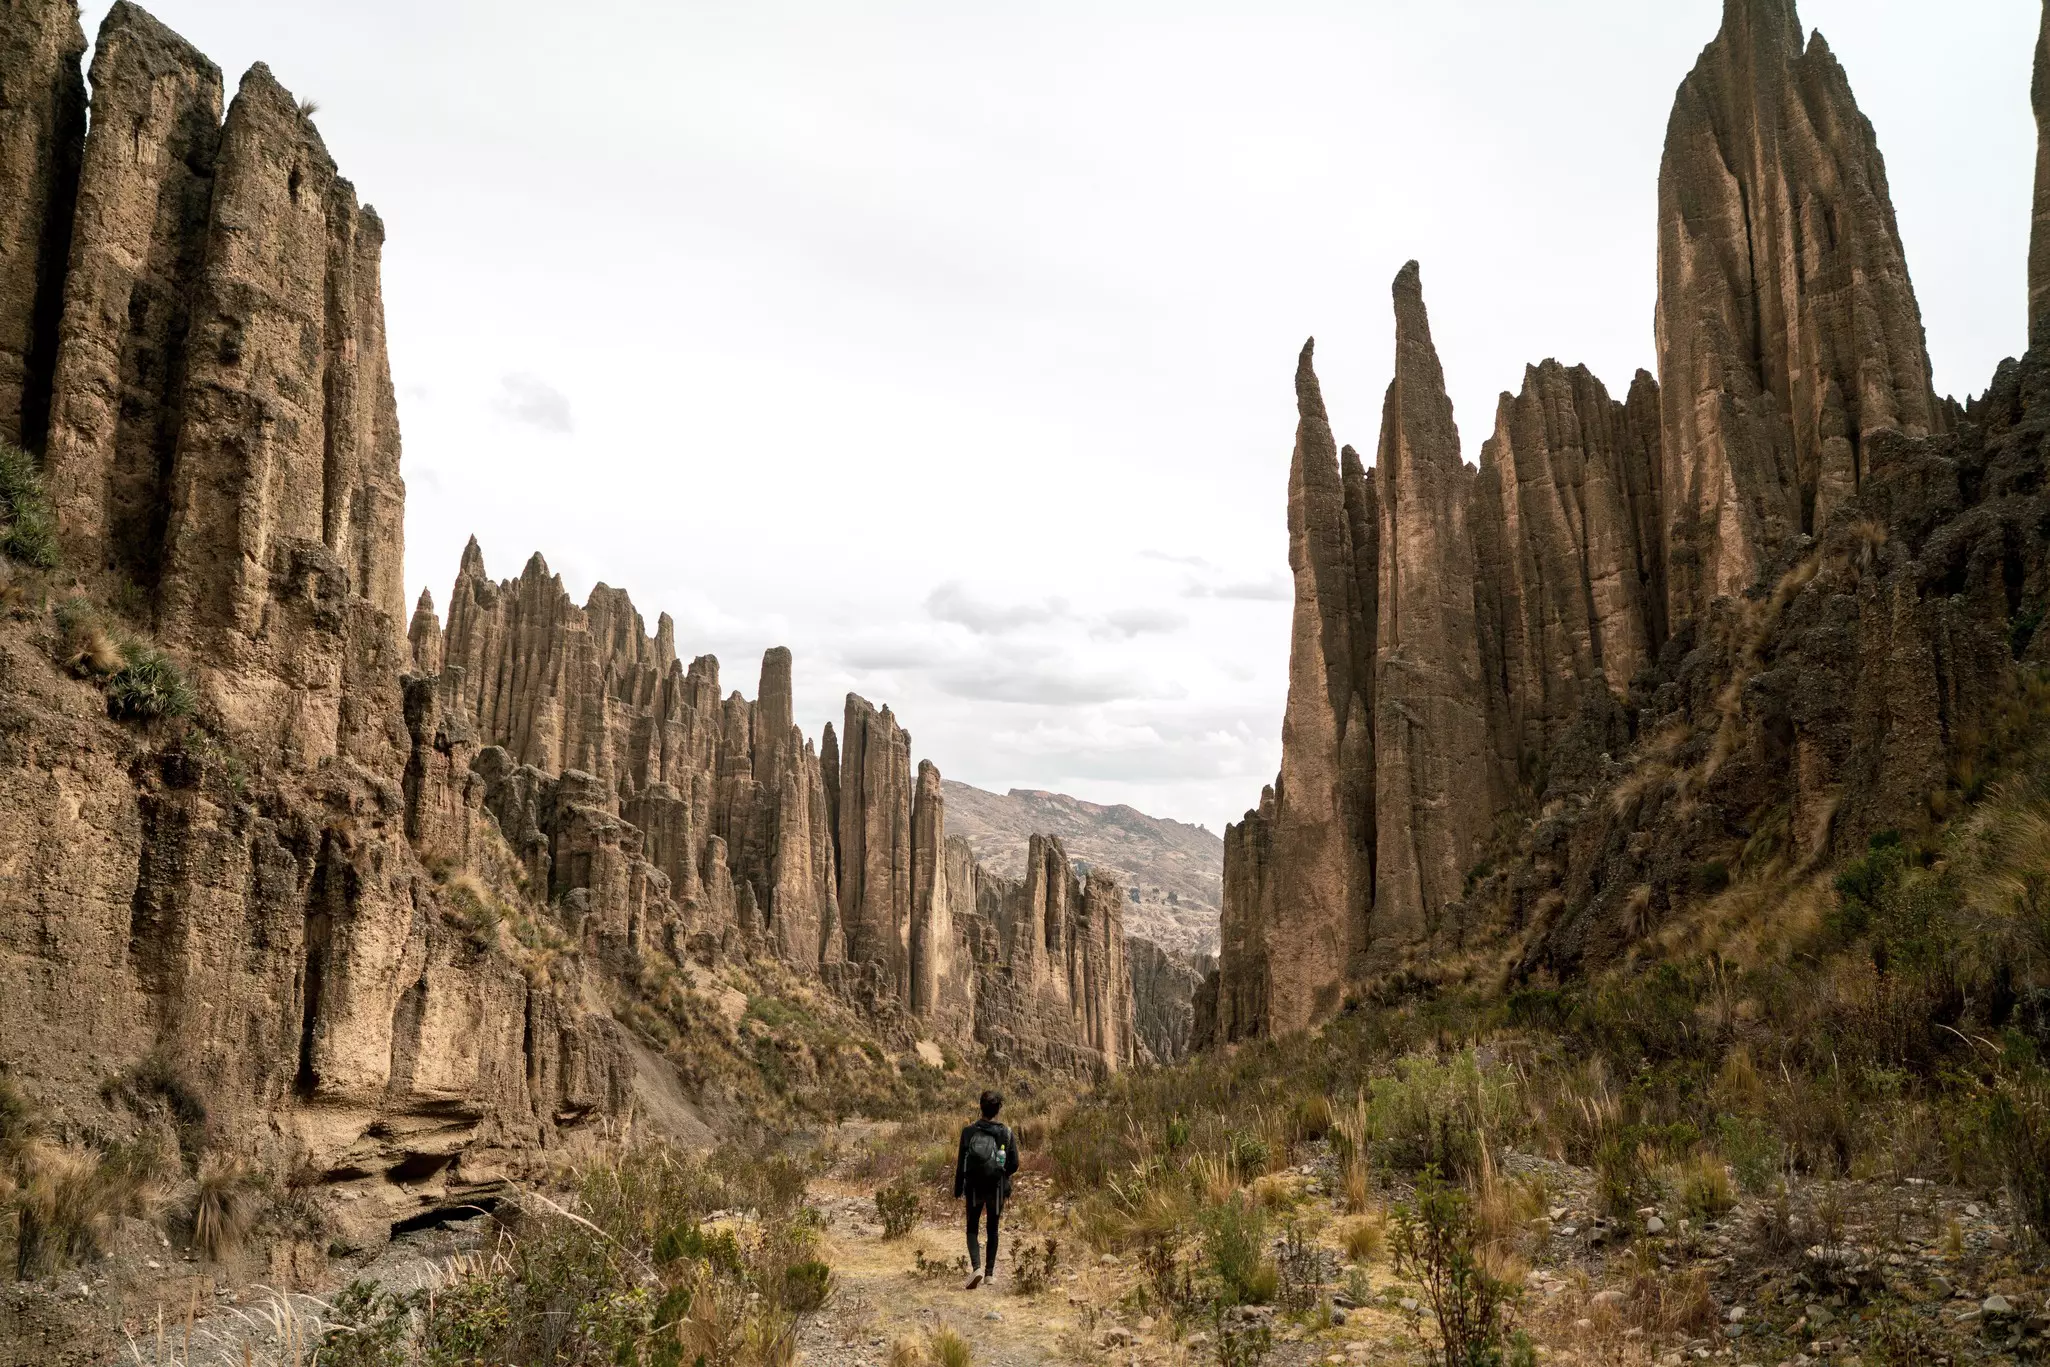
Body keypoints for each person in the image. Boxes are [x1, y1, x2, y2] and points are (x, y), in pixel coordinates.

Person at [953, 1089, 1019, 1290]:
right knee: (993, 1229)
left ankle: (976, 1268)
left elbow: (960, 1163)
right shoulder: (1006, 1133)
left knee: (972, 1228)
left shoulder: (968, 1131)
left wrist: (958, 1188)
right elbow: (1015, 1163)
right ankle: (990, 1275)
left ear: (980, 1107)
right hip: (996, 1188)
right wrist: (1002, 1173)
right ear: (998, 1109)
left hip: (973, 1188)